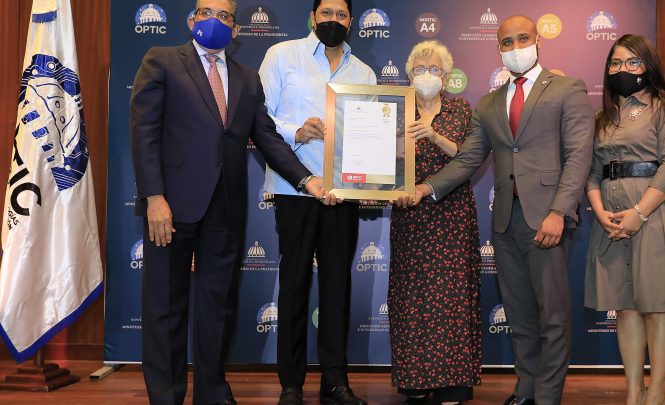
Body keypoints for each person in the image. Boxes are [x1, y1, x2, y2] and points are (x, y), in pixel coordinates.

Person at [130, 1, 331, 404]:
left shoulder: (246, 78)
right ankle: (166, 396)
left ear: (236, 30)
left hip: (225, 208)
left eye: (224, 16)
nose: (214, 21)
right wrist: (154, 196)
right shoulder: (162, 61)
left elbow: (267, 138)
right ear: (192, 19)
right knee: (165, 305)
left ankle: (212, 391)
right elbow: (144, 131)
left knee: (217, 307)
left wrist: (306, 179)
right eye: (206, 12)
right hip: (170, 207)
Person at [411, 15, 594, 405]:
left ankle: (547, 396)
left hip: (548, 219)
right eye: (507, 42)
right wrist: (425, 188)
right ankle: (525, 388)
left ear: (538, 41)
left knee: (553, 317)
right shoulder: (490, 103)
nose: (515, 48)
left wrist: (559, 212)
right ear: (499, 49)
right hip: (505, 222)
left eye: (522, 39)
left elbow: (579, 156)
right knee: (519, 313)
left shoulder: (567, 88)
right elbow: (467, 159)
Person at [585, 34, 665, 405]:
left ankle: (657, 393)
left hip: (656, 214)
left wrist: (639, 213)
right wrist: (600, 213)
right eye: (615, 63)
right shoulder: (601, 117)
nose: (623, 69)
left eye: (633, 62)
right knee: (625, 307)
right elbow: (591, 174)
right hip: (611, 221)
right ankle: (634, 392)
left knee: (658, 305)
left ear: (648, 66)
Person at [257, 1, 375, 404]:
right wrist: (298, 130)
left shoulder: (364, 73)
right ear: (312, 17)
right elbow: (261, 119)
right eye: (326, 13)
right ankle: (290, 384)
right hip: (295, 189)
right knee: (293, 285)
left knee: (338, 286)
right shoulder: (281, 55)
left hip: (343, 193)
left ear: (351, 22)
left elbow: (370, 137)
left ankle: (335, 381)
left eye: (341, 15)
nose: (333, 20)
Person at [391, 40, 482, 405]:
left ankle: (453, 383)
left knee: (452, 297)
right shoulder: (396, 109)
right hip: (410, 213)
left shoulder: (462, 110)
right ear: (409, 74)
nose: (426, 75)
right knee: (412, 296)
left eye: (434, 69)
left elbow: (468, 157)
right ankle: (415, 379)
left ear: (446, 76)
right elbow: (380, 158)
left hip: (451, 213)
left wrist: (434, 135)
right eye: (419, 69)